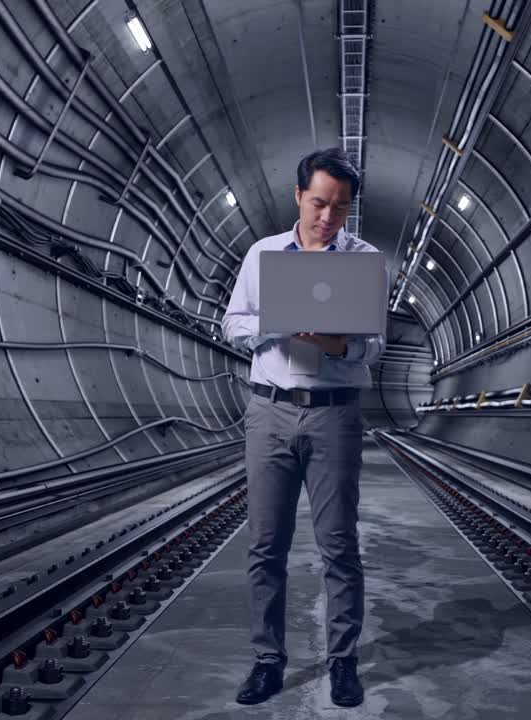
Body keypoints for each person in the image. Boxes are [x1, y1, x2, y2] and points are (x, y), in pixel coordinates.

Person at [221, 148, 384, 707]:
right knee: (266, 545)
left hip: (335, 412)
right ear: (298, 196)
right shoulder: (263, 255)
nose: (327, 217)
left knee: (339, 545)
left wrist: (339, 343)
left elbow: (375, 344)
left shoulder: (364, 260)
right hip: (269, 410)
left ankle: (342, 662)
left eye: (340, 208)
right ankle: (267, 660)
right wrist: (277, 323)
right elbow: (233, 322)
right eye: (319, 203)